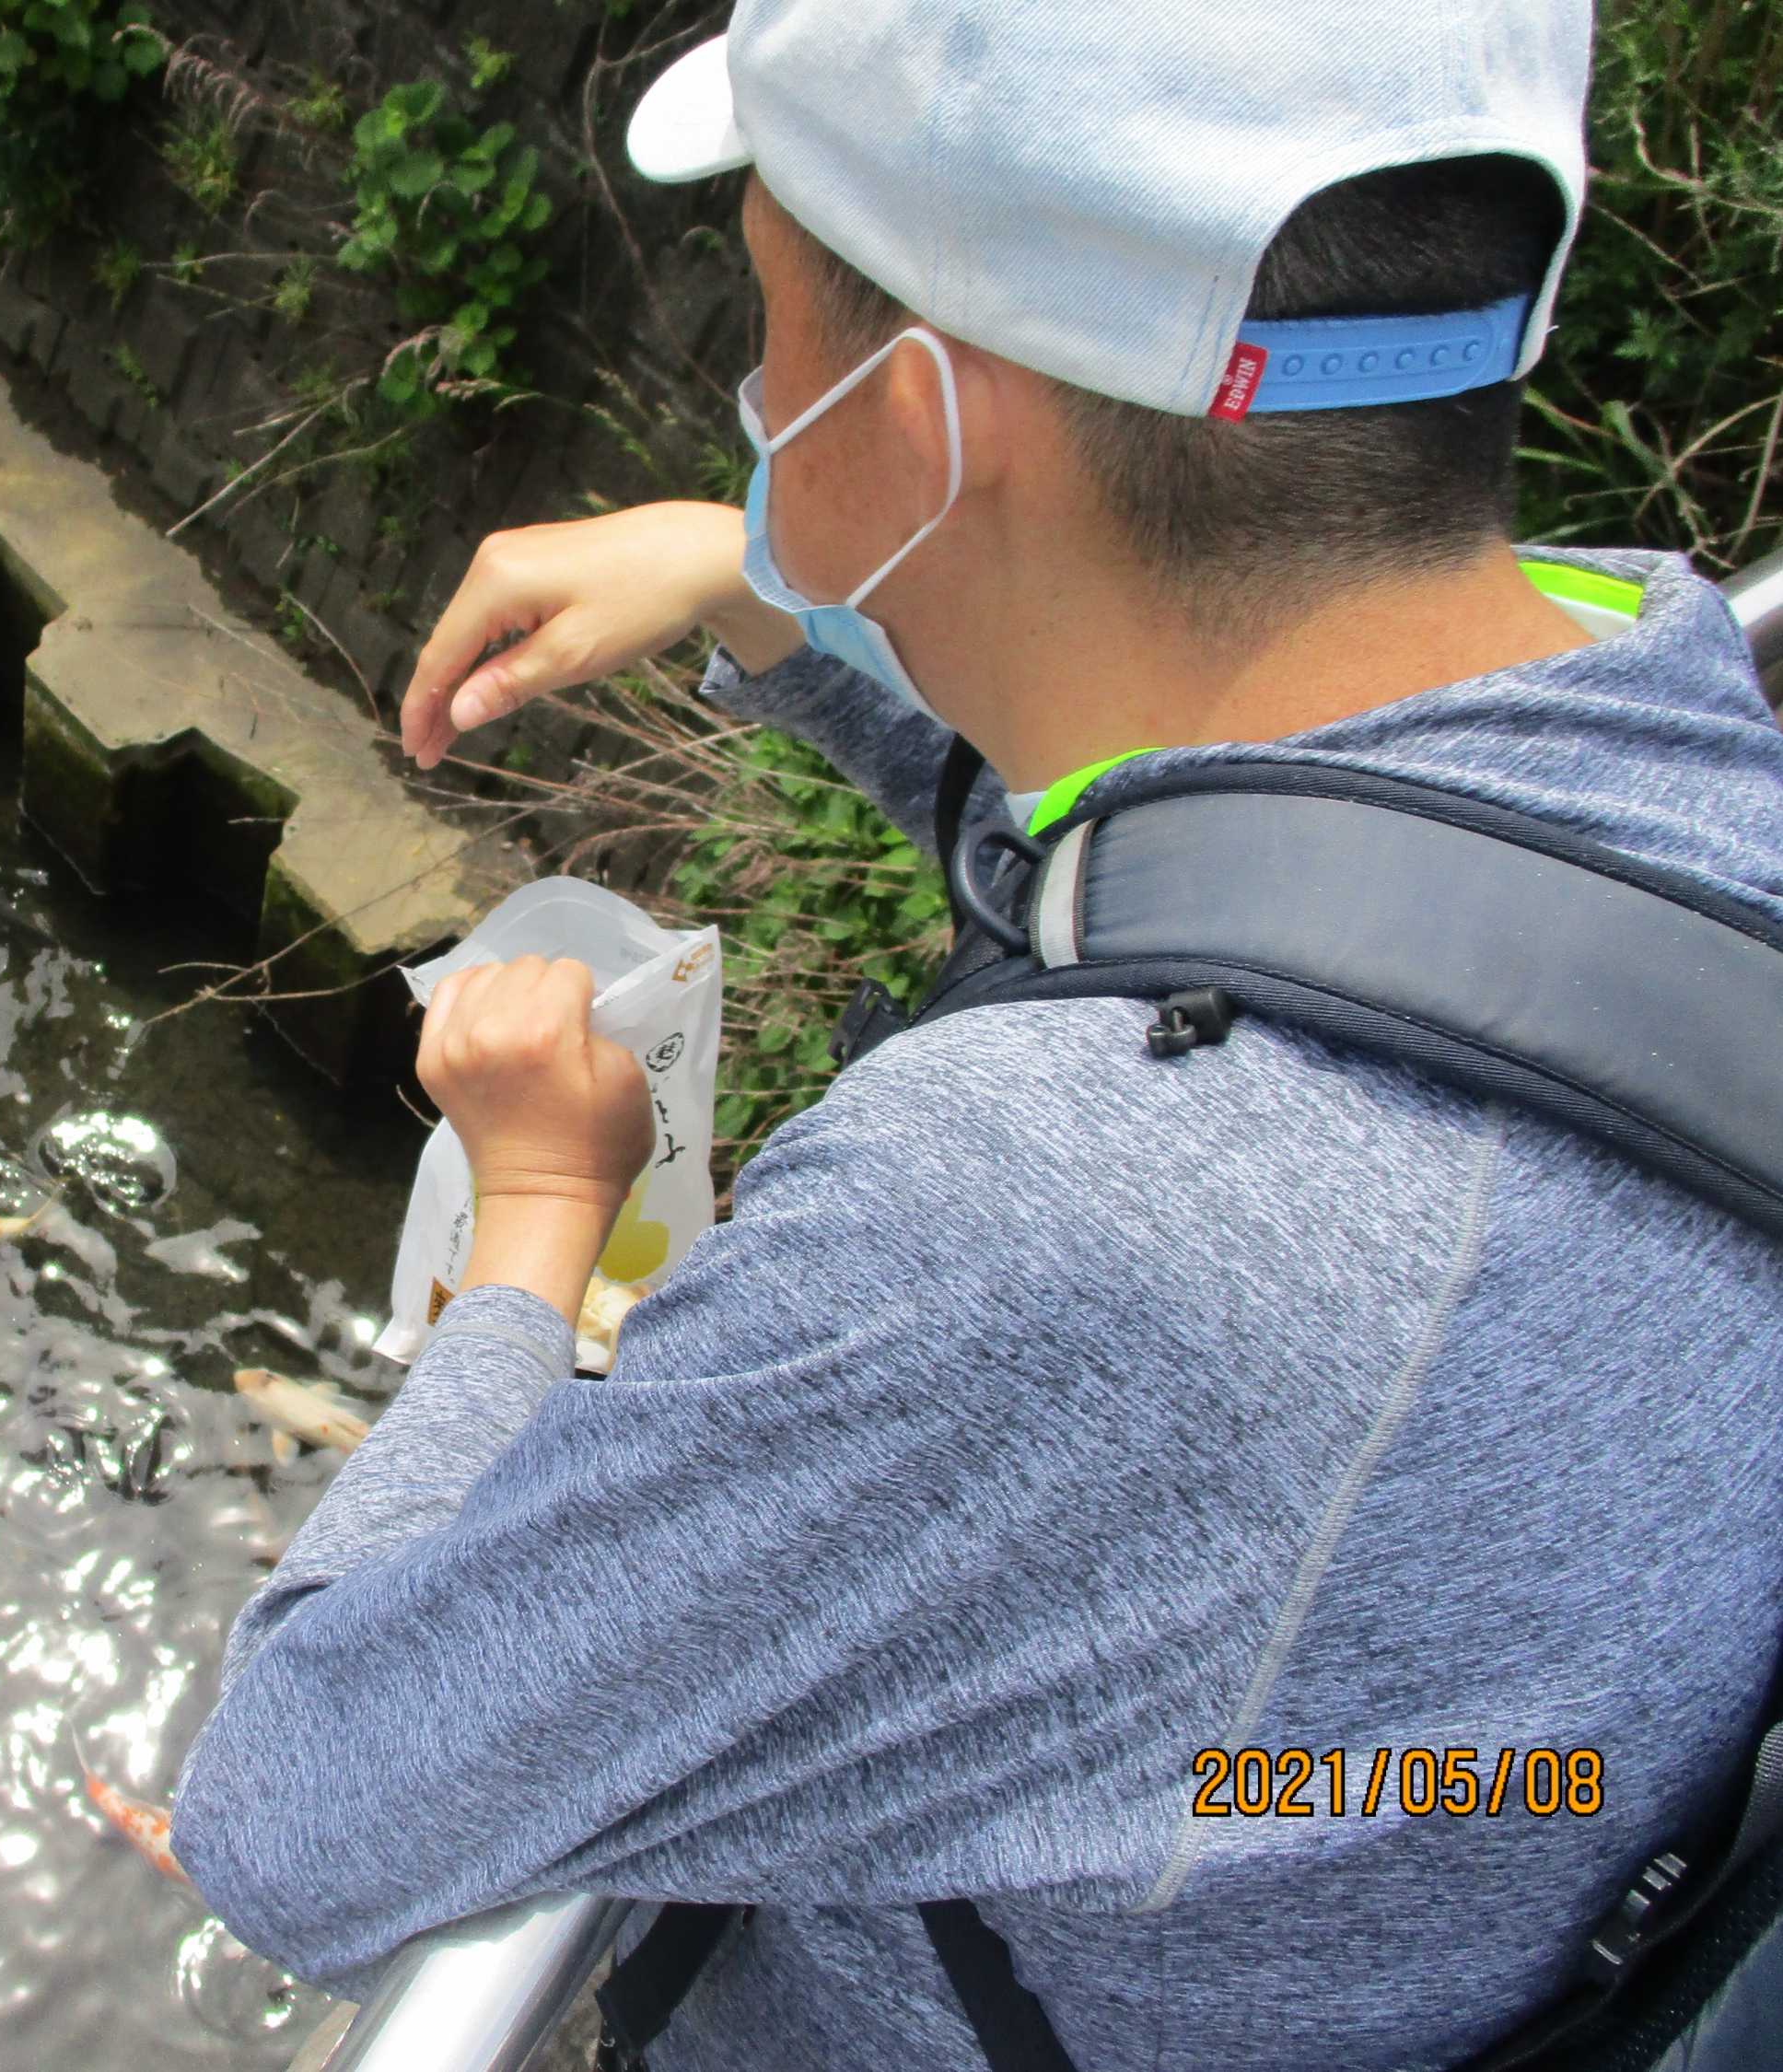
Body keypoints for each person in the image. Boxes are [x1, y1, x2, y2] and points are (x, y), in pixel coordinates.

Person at [169, 2, 1783, 2066]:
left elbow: (303, 1810)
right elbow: (1199, 863)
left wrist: (536, 1227)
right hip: (1443, 1811)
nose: (753, 396)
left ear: (923, 429)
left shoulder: (1050, 1224)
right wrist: (759, 588)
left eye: (767, 326)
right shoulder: (1663, 711)